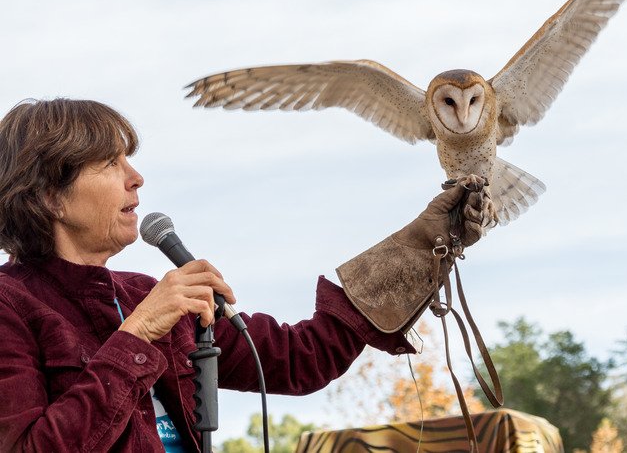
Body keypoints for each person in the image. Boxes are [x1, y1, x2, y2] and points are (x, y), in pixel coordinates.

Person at [0, 98, 488, 452]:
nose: (136, 177)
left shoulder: (148, 295)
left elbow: (302, 359)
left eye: (130, 159)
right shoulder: (10, 306)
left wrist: (420, 247)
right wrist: (139, 334)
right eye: (110, 162)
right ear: (49, 196)